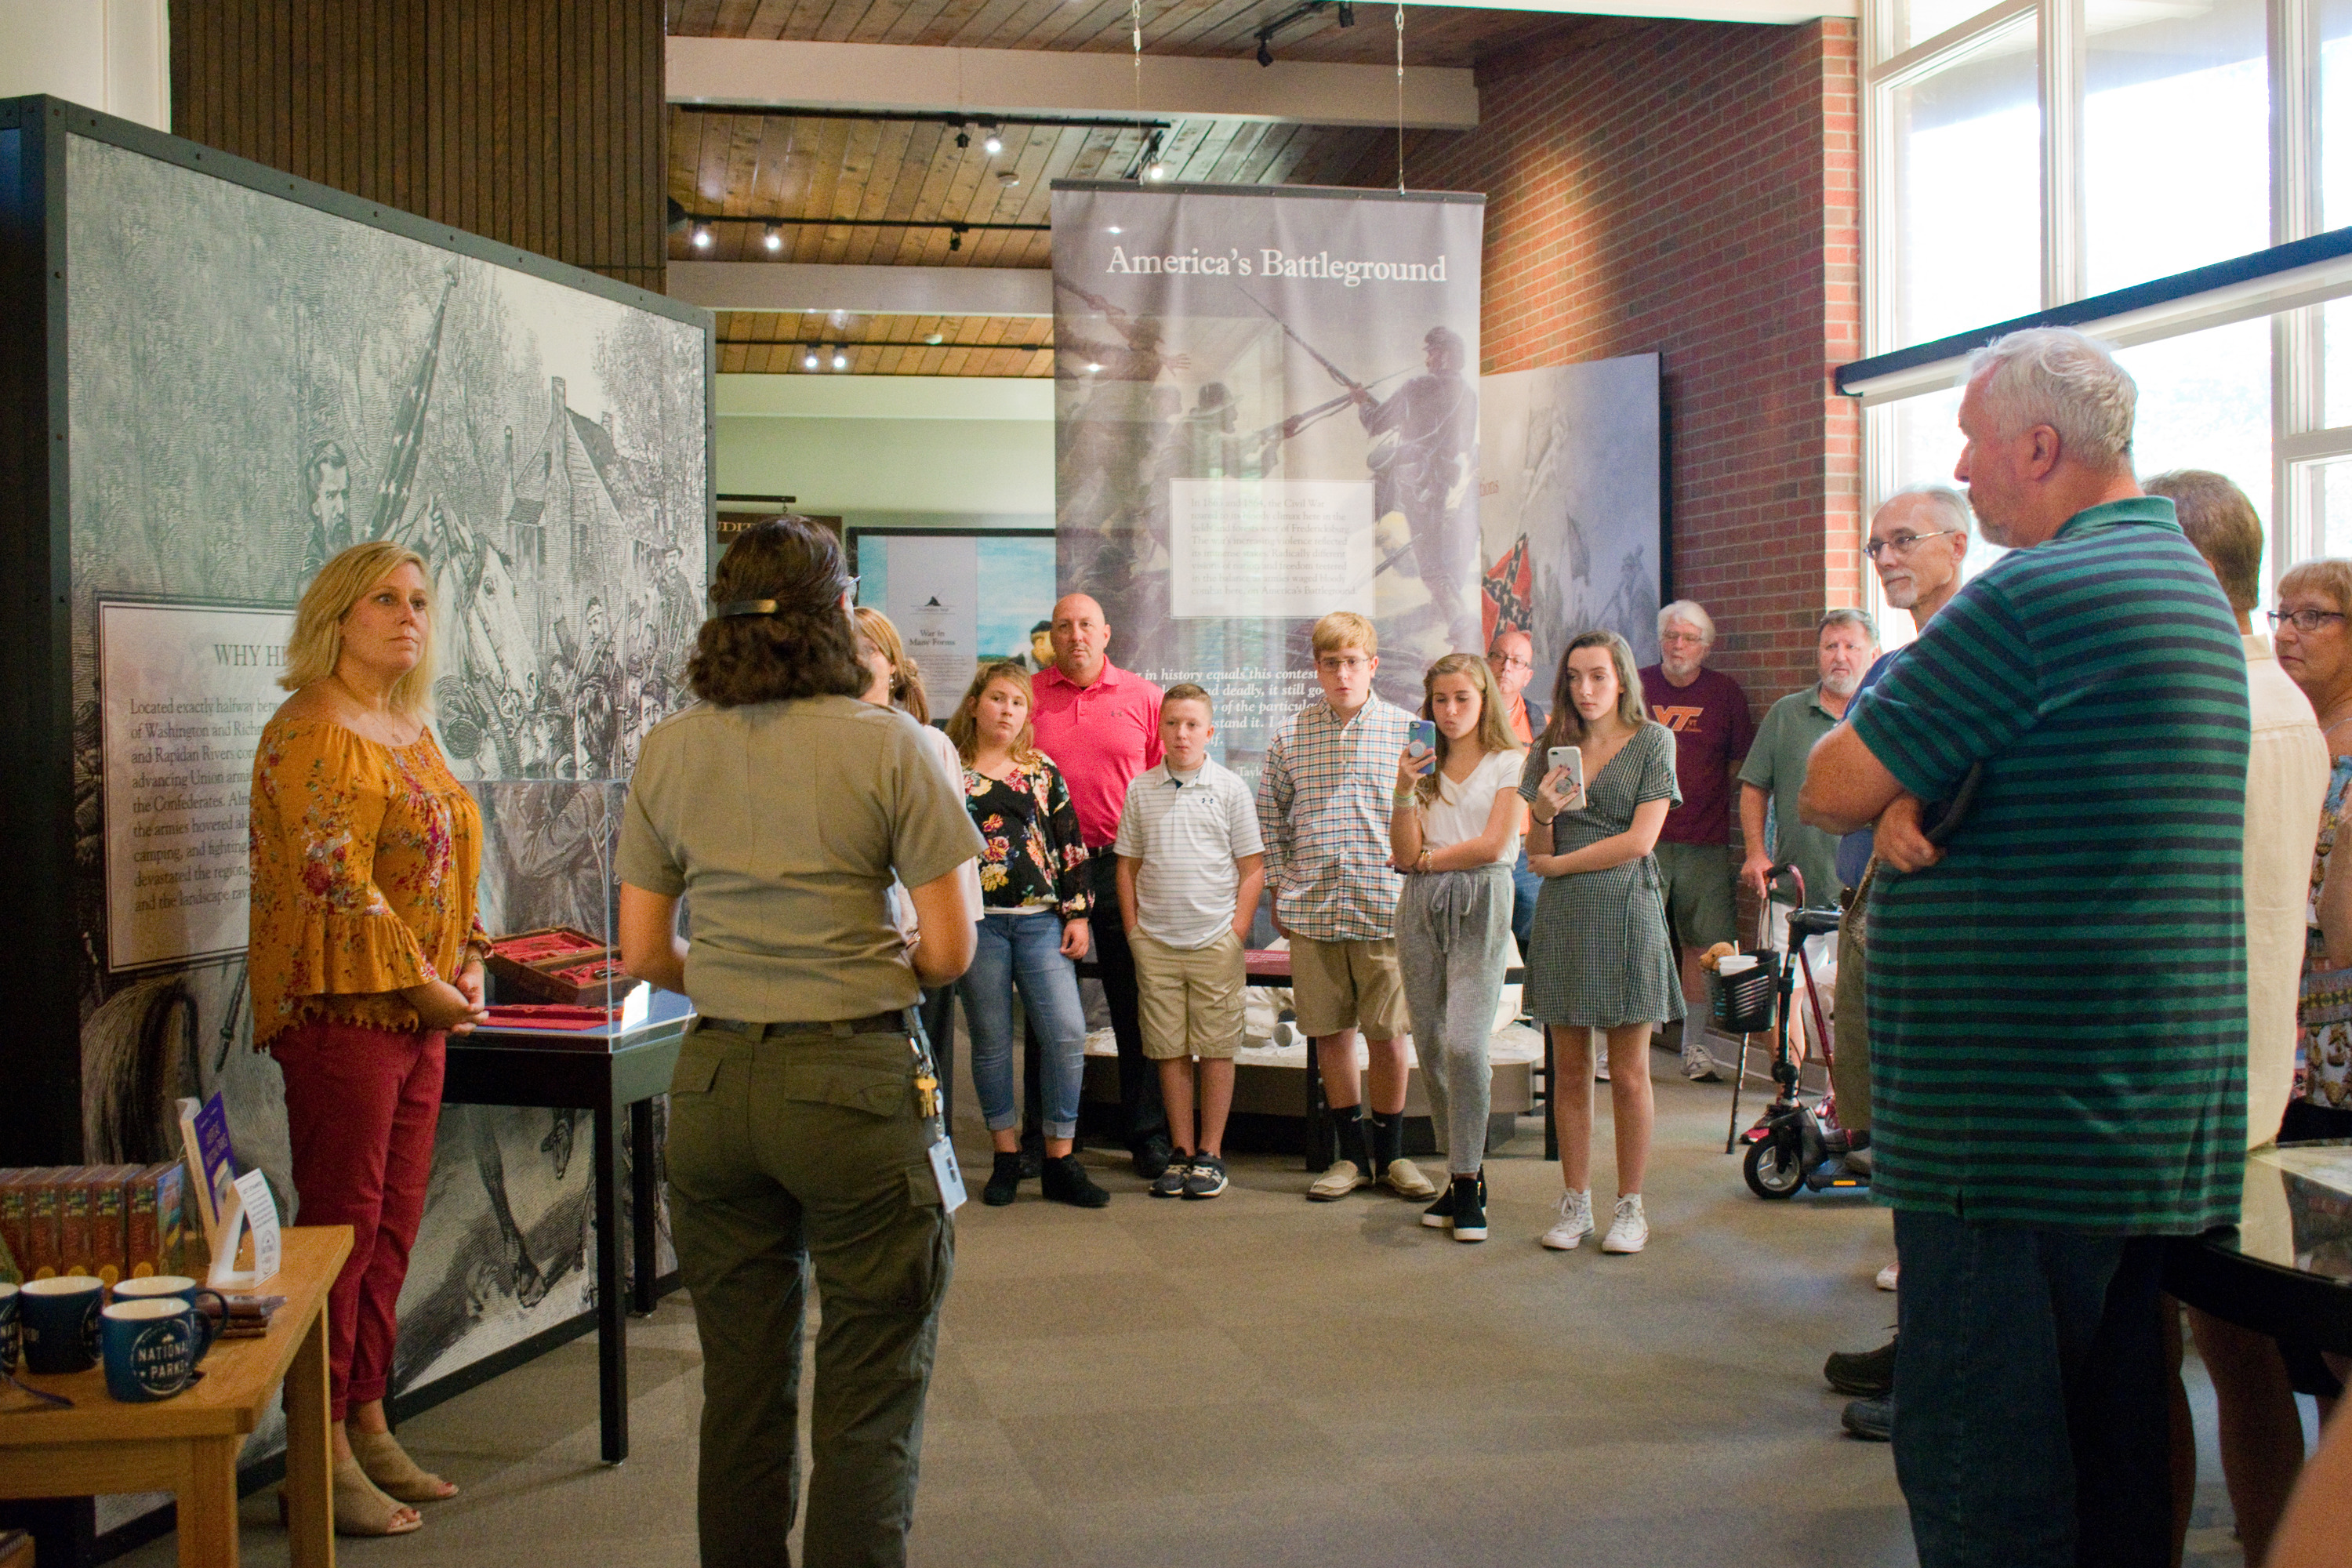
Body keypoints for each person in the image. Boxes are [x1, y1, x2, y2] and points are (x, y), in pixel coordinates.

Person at [1801, 326, 2249, 1568]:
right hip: (2124, 1117)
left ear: (2040, 448)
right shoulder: (2178, 585)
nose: (1960, 463)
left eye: (1971, 438)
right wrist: (1922, 781)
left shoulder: (2036, 595)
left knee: (1987, 1489)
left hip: (2014, 1139)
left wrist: (1899, 774)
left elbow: (1836, 777)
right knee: (2110, 1484)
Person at [616, 517, 980, 1568]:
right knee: (870, 1380)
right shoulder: (892, 746)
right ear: (835, 611)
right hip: (856, 1086)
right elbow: (949, 950)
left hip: (717, 1086)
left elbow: (645, 948)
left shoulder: (671, 748)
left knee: (740, 1388)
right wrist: (856, 968)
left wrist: (738, 977)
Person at [247, 539, 490, 1537]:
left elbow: (446, 859)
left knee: (391, 1229)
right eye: (384, 599)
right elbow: (331, 880)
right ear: (336, 616)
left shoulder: (408, 727)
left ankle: (367, 1412)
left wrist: (470, 952)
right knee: (340, 1232)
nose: (407, 614)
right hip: (346, 1014)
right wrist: (424, 981)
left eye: (421, 599)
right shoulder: (308, 731)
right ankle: (320, 1451)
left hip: (418, 1012)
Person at [2145, 471, 2328, 1567]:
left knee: (2156, 1364)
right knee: (2240, 1355)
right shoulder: (2287, 705)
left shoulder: (2219, 709)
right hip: (2248, 1083)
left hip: (2184, 1093)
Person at [1813, 485, 1973, 1439]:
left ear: (1960, 540)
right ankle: (1919, 1336)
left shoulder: (1981, 647)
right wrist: (1884, 803)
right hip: (1879, 906)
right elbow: (1837, 783)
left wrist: (1890, 802)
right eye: (1875, 545)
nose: (1887, 556)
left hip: (1952, 931)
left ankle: (1943, 1375)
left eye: (1905, 539)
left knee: (1941, 1154)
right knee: (1899, 1146)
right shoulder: (1903, 662)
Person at [1257, 611, 1439, 1203]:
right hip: (1314, 910)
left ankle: (1392, 1156)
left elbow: (1431, 810)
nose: (1342, 673)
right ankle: (1349, 1157)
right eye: (1330, 662)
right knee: (1329, 1031)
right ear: (1316, 669)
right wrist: (1282, 884)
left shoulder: (1410, 731)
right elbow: (1270, 815)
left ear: (1373, 666)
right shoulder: (1290, 735)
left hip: (1384, 906)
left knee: (1389, 1034)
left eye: (1353, 661)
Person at [1522, 630, 1682, 1256]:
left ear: (1621, 680)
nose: (1585, 690)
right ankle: (1575, 1202)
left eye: (1598, 676)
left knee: (1630, 1070)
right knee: (1568, 1069)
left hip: (1625, 907)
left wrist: (1563, 864)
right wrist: (1540, 812)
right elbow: (1535, 855)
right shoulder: (1549, 750)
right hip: (1564, 916)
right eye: (1574, 678)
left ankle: (1630, 1206)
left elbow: (1641, 841)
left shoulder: (1652, 741)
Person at [949, 661, 1111, 1210]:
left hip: (1041, 921)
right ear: (975, 703)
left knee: (1066, 1033)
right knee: (992, 1042)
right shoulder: (951, 770)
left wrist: (1078, 913)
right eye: (997, 699)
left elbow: (1070, 843)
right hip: (976, 923)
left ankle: (1060, 1157)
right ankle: (1004, 1156)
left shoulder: (1041, 771)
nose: (1007, 711)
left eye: (1018, 703)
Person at [1029, 593, 1174, 1179]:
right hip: (1046, 876)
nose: (1075, 636)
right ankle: (1049, 1136)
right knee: (1047, 1011)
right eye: (1063, 626)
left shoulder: (1144, 698)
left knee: (1134, 1007)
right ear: (1052, 638)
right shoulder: (1028, 698)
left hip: (1122, 869)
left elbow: (1167, 785)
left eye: (1086, 625)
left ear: (1106, 633)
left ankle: (1147, 1135)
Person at [1390, 652, 1529, 1241]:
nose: (1450, 712)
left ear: (1484, 700)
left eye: (1462, 699)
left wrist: (1427, 860)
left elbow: (1494, 844)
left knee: (1466, 1043)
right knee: (1432, 1044)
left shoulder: (1511, 760)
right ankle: (1460, 1171)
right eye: (1440, 700)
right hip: (1420, 908)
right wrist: (1403, 788)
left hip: (1481, 901)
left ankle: (1469, 1183)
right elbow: (1401, 853)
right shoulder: (1422, 763)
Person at [1113, 684, 1266, 1200]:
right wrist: (1135, 932)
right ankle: (1180, 1151)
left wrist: (1236, 932)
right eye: (1173, 723)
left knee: (1217, 1048)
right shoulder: (1140, 789)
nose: (1182, 733)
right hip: (1155, 943)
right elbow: (1127, 867)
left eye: (1192, 725)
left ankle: (1211, 1152)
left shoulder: (1229, 789)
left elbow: (1252, 869)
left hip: (1213, 942)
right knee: (1168, 1049)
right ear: (1160, 729)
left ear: (1210, 733)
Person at [855, 605, 980, 1131]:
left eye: (864, 648)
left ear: (890, 662)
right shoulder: (832, 741)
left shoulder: (928, 743)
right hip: (860, 953)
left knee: (924, 1081)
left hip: (920, 943)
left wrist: (947, 938)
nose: (852, 660)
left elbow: (956, 861)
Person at [1739, 608, 1875, 1065]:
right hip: (1791, 889)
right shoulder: (1786, 714)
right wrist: (1756, 852)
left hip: (1863, 896)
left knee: (1859, 1009)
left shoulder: (1884, 710)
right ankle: (1788, 1102)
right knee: (1781, 999)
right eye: (1830, 646)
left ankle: (1852, 1116)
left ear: (1872, 654)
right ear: (1817, 655)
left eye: (1851, 646)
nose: (1840, 656)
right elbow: (1755, 787)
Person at [1637, 600, 1755, 1081]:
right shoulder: (1638, 686)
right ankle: (1621, 1049)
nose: (1678, 646)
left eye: (1689, 639)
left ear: (1706, 647)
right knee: (1636, 941)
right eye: (1671, 636)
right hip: (1641, 840)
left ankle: (1695, 1047)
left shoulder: (1725, 694)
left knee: (1702, 946)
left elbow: (1737, 767)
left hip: (1704, 842)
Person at [2277, 555, 2352, 1139]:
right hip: (2292, 1034)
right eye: (2283, 613)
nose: (2285, 633)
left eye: (2313, 617)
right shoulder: (2297, 731)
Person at [1488, 628, 1549, 955]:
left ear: (1528, 676)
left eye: (1516, 661)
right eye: (1498, 657)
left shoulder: (1544, 725)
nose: (1505, 667)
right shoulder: (1459, 716)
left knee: (1535, 942)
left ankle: (1534, 1007)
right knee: (1478, 946)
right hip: (1475, 851)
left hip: (1527, 854)